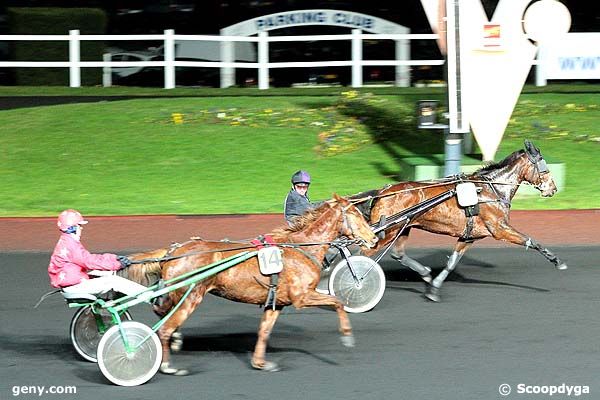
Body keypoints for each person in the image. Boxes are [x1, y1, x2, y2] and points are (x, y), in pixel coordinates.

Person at [48, 209, 147, 297]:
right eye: (79, 226)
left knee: (107, 273)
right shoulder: (70, 244)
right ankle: (149, 297)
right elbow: (89, 262)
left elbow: (91, 258)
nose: (81, 228)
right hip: (75, 286)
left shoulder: (67, 241)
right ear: (72, 228)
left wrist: (114, 258)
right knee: (114, 281)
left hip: (73, 282)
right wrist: (117, 264)